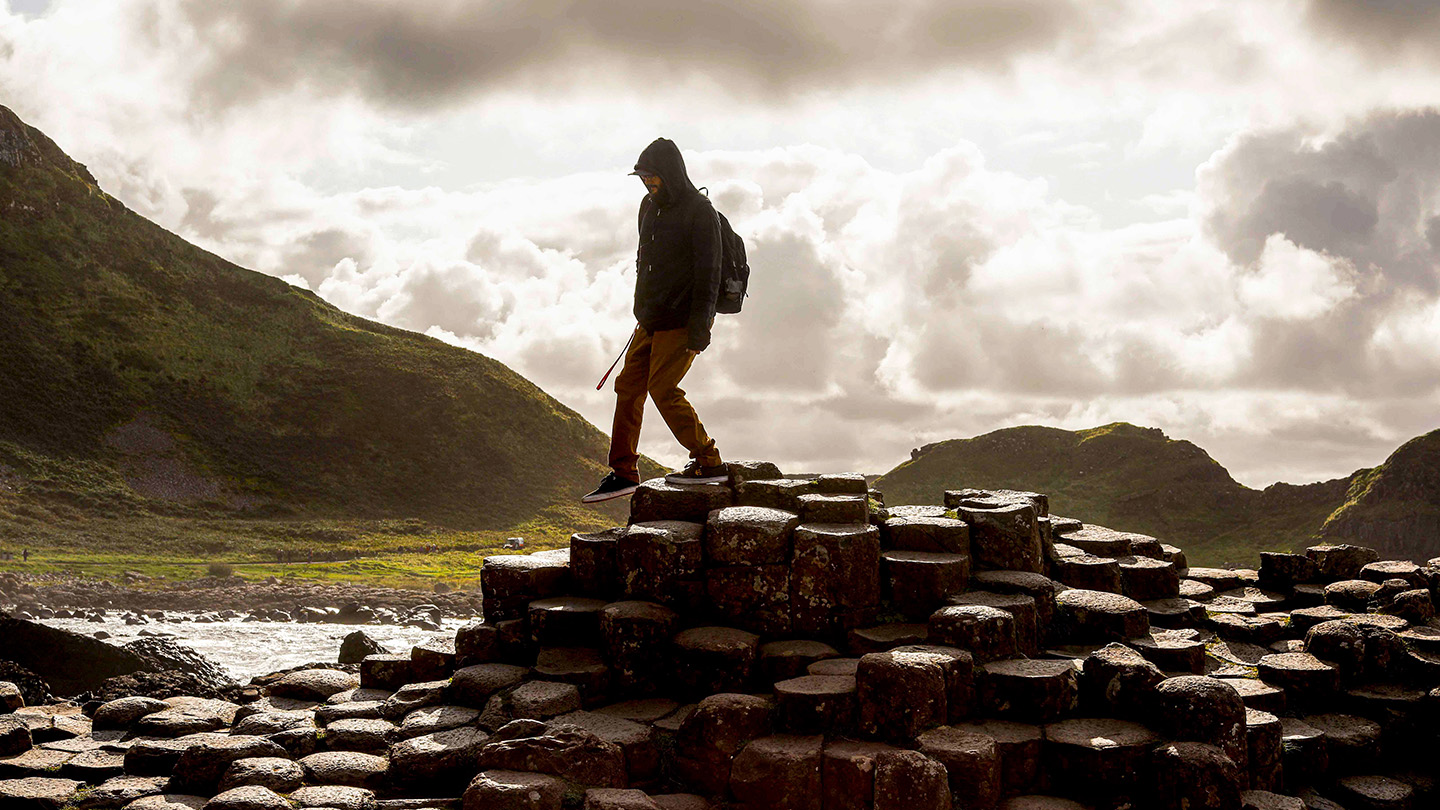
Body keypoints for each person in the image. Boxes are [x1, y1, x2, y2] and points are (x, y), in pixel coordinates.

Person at [583, 138, 727, 503]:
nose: (647, 183)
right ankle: (624, 472)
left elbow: (708, 275)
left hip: (682, 323)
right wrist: (640, 310)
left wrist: (700, 328)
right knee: (628, 387)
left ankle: (709, 461)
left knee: (663, 389)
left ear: (670, 174)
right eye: (643, 177)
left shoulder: (700, 211)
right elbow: (643, 259)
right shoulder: (648, 207)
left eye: (652, 176)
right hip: (648, 320)